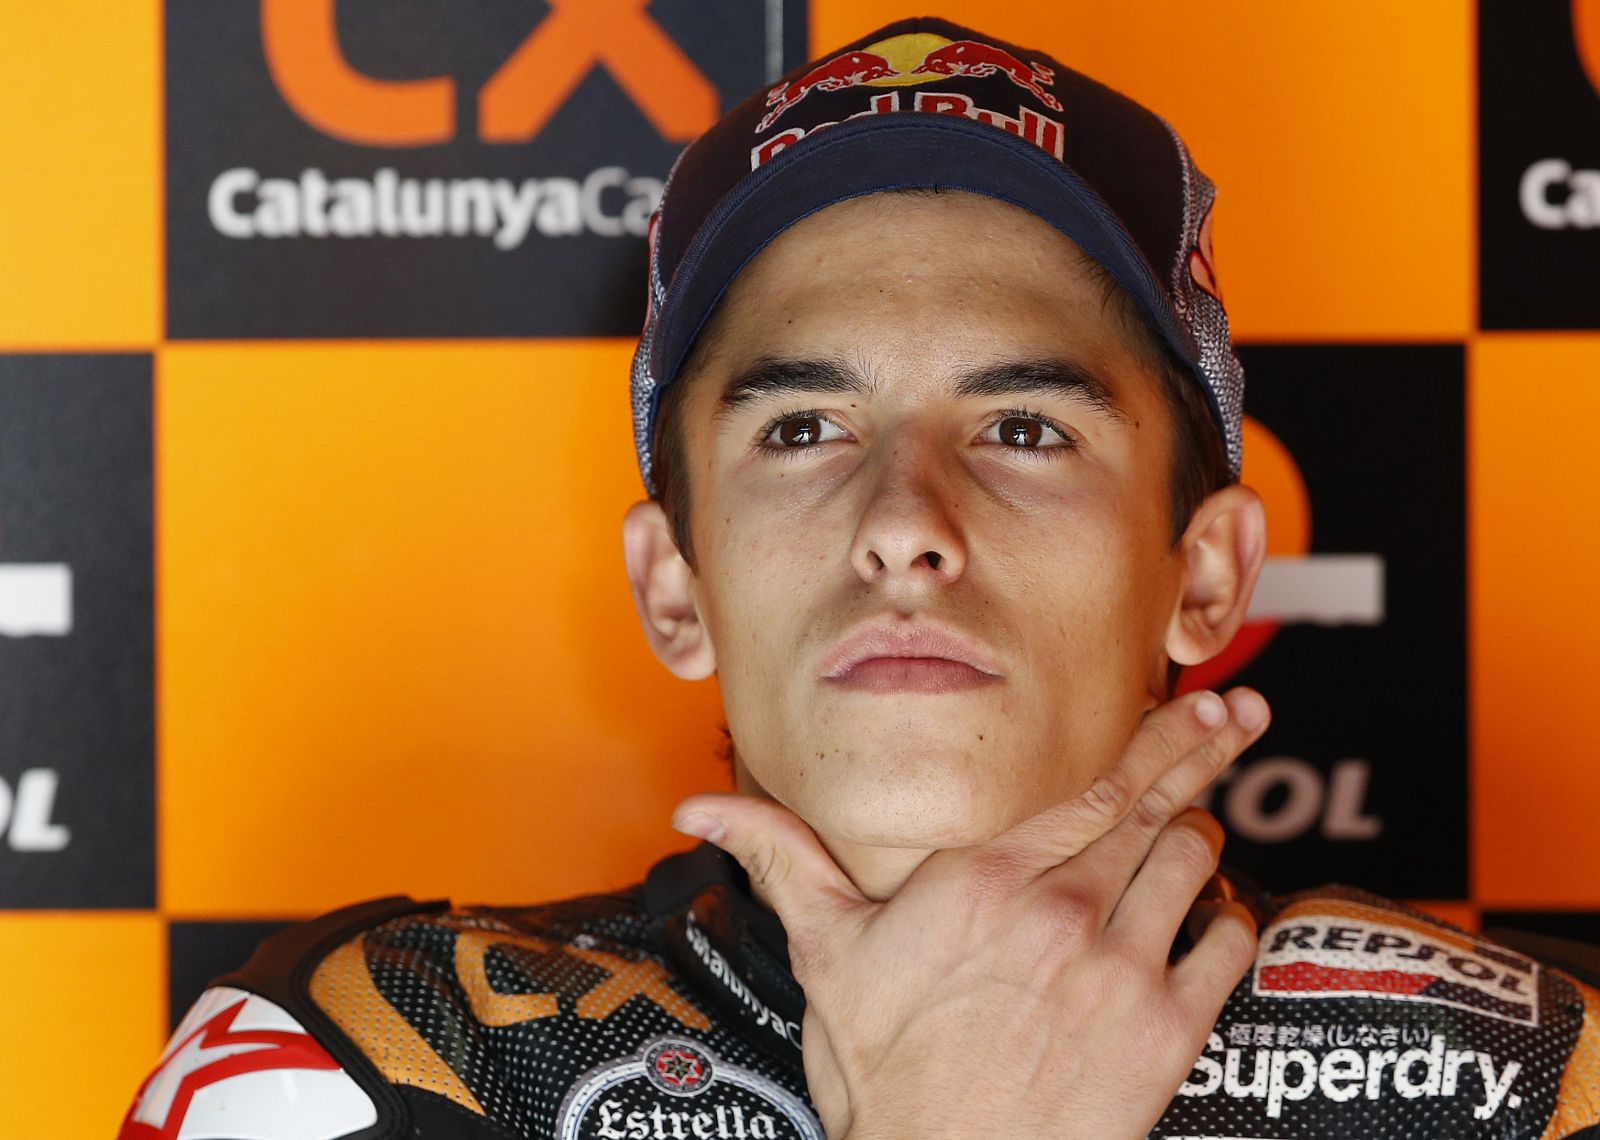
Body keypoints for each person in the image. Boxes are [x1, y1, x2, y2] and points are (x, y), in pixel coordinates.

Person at [119, 18, 1600, 1140]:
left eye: (1023, 427)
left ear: (1205, 575)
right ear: (675, 586)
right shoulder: (373, 1060)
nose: (906, 525)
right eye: (804, 427)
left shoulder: (1530, 1078)